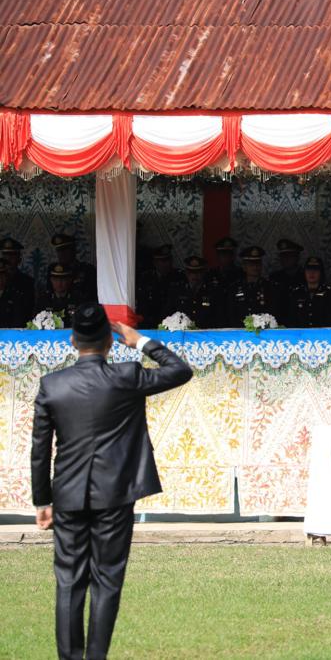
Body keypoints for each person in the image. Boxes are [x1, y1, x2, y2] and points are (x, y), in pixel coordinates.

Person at [31, 304, 192, 660]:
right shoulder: (127, 375)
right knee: (106, 581)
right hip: (115, 494)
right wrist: (140, 341)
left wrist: (42, 503)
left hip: (68, 495)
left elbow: (40, 450)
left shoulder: (51, 386)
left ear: (73, 341)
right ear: (110, 342)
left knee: (69, 582)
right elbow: (180, 370)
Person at [223, 246, 279, 326]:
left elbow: (274, 312)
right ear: (244, 267)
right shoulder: (234, 288)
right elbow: (230, 314)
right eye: (251, 264)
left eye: (258, 263)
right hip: (239, 333)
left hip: (263, 333)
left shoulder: (270, 287)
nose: (255, 267)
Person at [136, 244, 184, 328]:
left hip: (172, 324)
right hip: (149, 323)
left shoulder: (178, 276)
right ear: (155, 262)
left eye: (169, 260)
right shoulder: (146, 278)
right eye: (163, 261)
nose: (167, 264)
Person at [164, 256, 219, 328]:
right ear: (186, 273)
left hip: (206, 334)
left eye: (198, 272)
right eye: (191, 272)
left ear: (203, 272)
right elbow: (167, 315)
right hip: (183, 335)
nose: (194, 275)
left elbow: (218, 318)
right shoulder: (177, 291)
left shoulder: (212, 291)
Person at [287, 257, 331, 328]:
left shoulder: (330, 293)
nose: (312, 273)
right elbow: (291, 319)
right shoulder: (297, 293)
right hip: (300, 336)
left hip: (323, 336)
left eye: (316, 270)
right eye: (309, 269)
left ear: (321, 272)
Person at [50, 233, 97, 301]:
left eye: (65, 250)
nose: (62, 254)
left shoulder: (87, 270)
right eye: (59, 250)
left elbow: (91, 296)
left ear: (74, 250)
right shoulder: (53, 269)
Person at [0, 258, 32, 327]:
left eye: (2, 275)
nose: (0, 278)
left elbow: (18, 321)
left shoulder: (15, 296)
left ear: (7, 276)